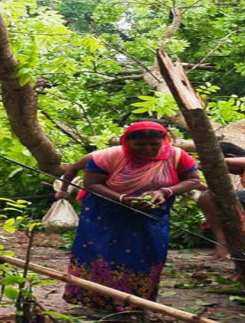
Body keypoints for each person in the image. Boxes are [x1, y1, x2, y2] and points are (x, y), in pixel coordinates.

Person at [62, 122, 204, 312]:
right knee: (101, 253)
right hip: (106, 212)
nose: (148, 149)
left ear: (164, 141)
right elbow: (92, 184)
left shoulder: (177, 156)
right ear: (127, 143)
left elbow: (194, 180)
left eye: (154, 144)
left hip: (151, 214)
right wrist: (122, 198)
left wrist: (165, 191)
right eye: (141, 145)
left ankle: (136, 302)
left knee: (146, 255)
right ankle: (99, 301)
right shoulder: (108, 157)